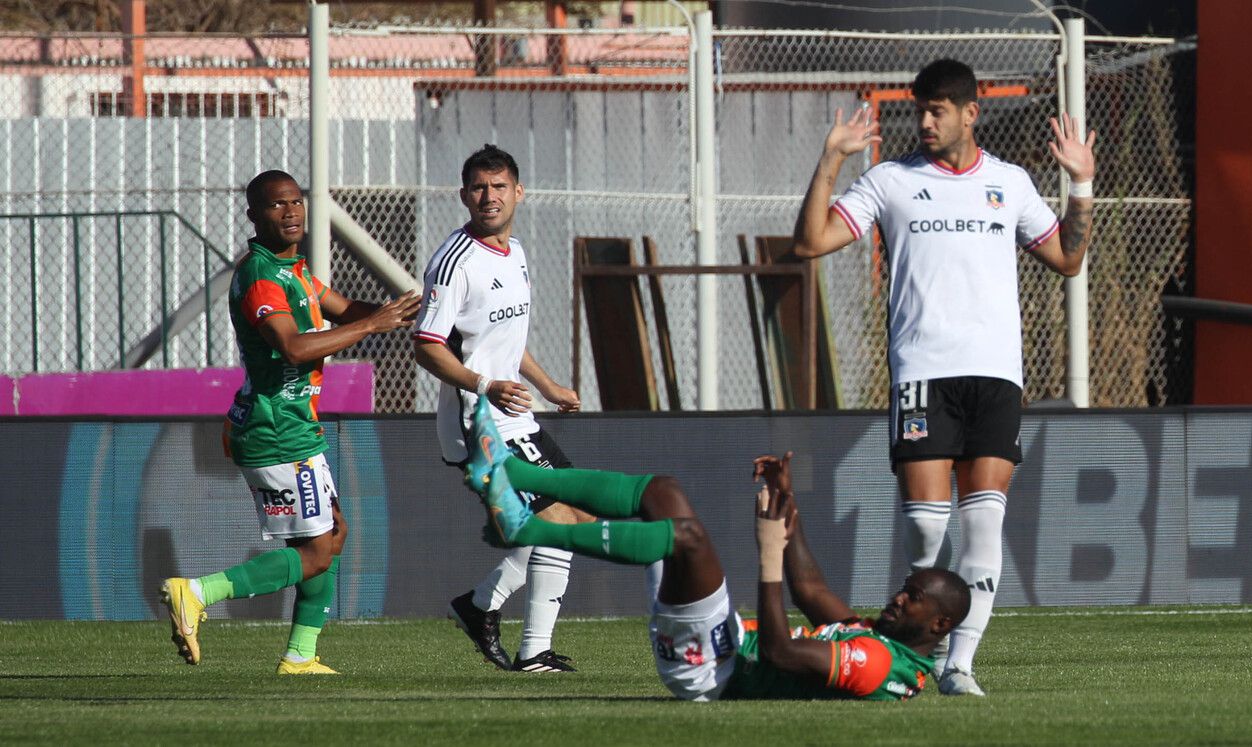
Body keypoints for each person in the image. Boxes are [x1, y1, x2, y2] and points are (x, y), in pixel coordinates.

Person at [791, 59, 1097, 696]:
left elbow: (1067, 258)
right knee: (930, 528)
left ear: (970, 114)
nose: (925, 122)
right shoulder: (890, 181)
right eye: (920, 110)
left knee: (984, 525)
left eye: (938, 111)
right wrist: (830, 161)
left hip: (994, 377)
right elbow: (811, 242)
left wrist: (1082, 185)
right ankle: (917, 658)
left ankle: (960, 664)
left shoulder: (1009, 184)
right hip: (924, 376)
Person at [464, 397, 971, 701]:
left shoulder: (882, 665)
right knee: (663, 491)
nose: (899, 597)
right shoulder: (876, 637)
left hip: (711, 669)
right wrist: (785, 502)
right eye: (907, 588)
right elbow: (811, 588)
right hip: (719, 641)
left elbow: (780, 651)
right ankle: (512, 471)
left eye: (914, 597)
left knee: (688, 538)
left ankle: (529, 529)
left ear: (939, 626)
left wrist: (769, 553)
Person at [159, 169, 421, 674]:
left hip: (290, 424)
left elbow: (343, 309)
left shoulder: (292, 270)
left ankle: (301, 656)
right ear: (254, 216)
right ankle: (197, 592)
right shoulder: (261, 277)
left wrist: (410, 314)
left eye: (296, 201)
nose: (291, 211)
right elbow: (295, 346)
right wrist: (374, 325)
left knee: (331, 535)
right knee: (320, 551)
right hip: (276, 429)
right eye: (277, 205)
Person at [412, 144, 597, 673]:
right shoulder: (455, 263)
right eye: (478, 188)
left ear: (519, 192)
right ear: (464, 195)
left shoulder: (513, 253)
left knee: (570, 519)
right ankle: (532, 650)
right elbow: (426, 346)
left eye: (498, 187)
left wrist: (550, 384)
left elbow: (507, 339)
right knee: (559, 518)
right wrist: (486, 385)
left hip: (515, 412)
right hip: (481, 419)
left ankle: (480, 606)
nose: (488, 197)